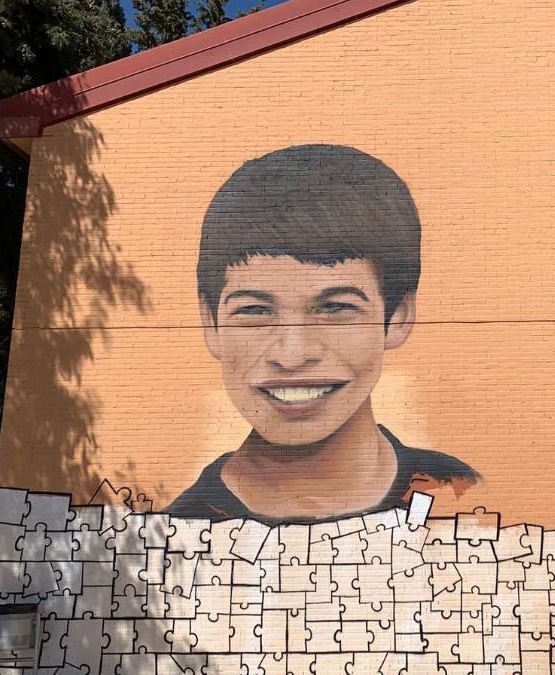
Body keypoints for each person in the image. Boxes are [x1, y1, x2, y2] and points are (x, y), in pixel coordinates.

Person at [167, 145, 479, 522]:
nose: (292, 355)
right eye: (254, 311)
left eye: (335, 308)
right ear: (211, 323)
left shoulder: (460, 496)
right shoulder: (172, 538)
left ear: (398, 316)